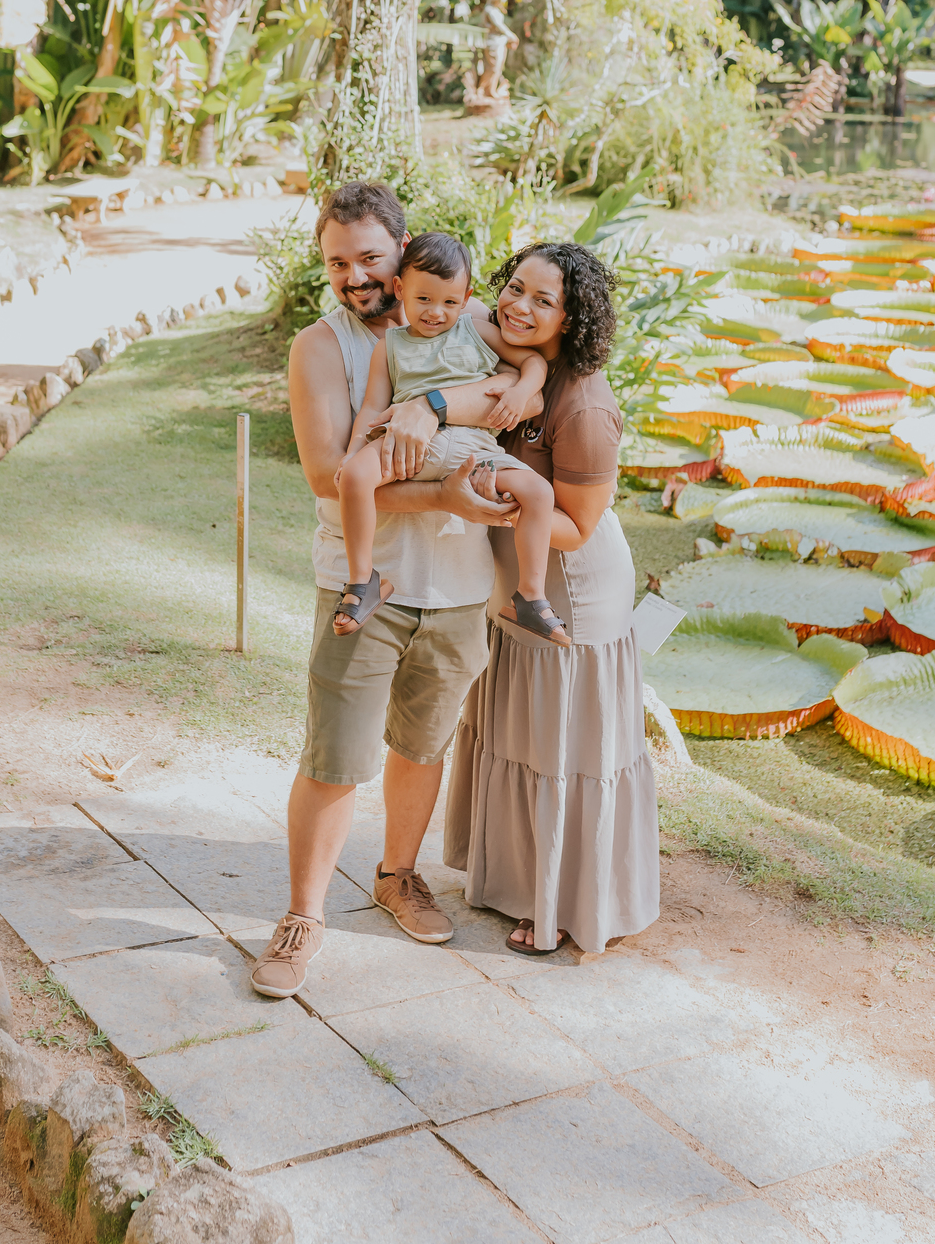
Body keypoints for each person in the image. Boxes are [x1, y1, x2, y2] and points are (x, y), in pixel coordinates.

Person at [250, 182, 531, 1000]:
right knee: (336, 756)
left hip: (458, 586)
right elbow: (322, 474)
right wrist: (443, 493)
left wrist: (438, 405)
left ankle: (398, 874)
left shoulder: (465, 323)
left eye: (369, 257)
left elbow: (528, 386)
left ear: (404, 253)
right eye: (337, 262)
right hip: (362, 583)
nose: (353, 276)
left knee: (423, 745)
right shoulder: (321, 347)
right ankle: (304, 916)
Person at [440, 241, 660, 957]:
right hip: (521, 593)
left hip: (572, 594)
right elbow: (463, 303)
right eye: (516, 287)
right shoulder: (523, 356)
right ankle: (516, 879)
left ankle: (563, 906)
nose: (518, 306)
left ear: (574, 318)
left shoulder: (587, 405)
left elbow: (576, 526)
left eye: (543, 300)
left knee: (561, 752)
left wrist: (490, 498)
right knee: (520, 741)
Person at [333, 230, 569, 646]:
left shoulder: (476, 330)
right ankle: (363, 581)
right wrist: (354, 451)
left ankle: (530, 596)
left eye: (448, 301)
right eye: (423, 299)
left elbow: (533, 362)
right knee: (353, 478)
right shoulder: (389, 345)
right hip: (410, 447)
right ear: (401, 289)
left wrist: (518, 390)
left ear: (466, 297)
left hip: (475, 449)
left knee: (538, 493)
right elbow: (372, 406)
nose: (435, 312)